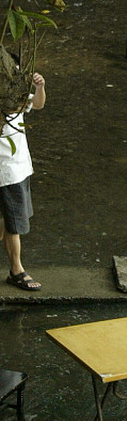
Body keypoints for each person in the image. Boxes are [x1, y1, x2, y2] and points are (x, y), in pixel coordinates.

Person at [0, 68, 46, 291]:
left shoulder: (13, 89)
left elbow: (37, 104)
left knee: (8, 219)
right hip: (6, 166)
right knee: (14, 222)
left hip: (18, 164)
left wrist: (39, 87)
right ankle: (17, 270)